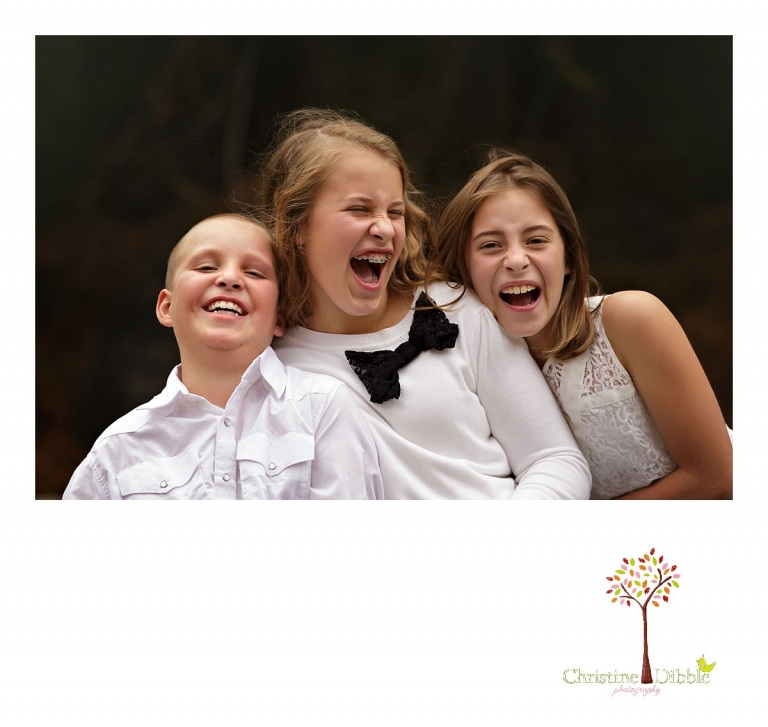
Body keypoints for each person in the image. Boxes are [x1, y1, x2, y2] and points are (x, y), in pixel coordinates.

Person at [259, 108, 591, 499]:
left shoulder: (454, 308)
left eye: (395, 212)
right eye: (359, 209)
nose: (384, 228)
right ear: (297, 225)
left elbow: (554, 458)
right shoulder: (270, 358)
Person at [429, 150, 733, 499]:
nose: (515, 260)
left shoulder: (631, 319)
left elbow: (718, 478)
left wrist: (570, 530)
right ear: (464, 269)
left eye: (536, 240)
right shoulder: (467, 366)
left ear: (569, 257)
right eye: (491, 245)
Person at [63, 213, 383, 500]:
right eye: (205, 266)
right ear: (166, 307)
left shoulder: (323, 410)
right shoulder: (117, 451)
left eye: (255, 272)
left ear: (278, 318)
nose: (229, 278)